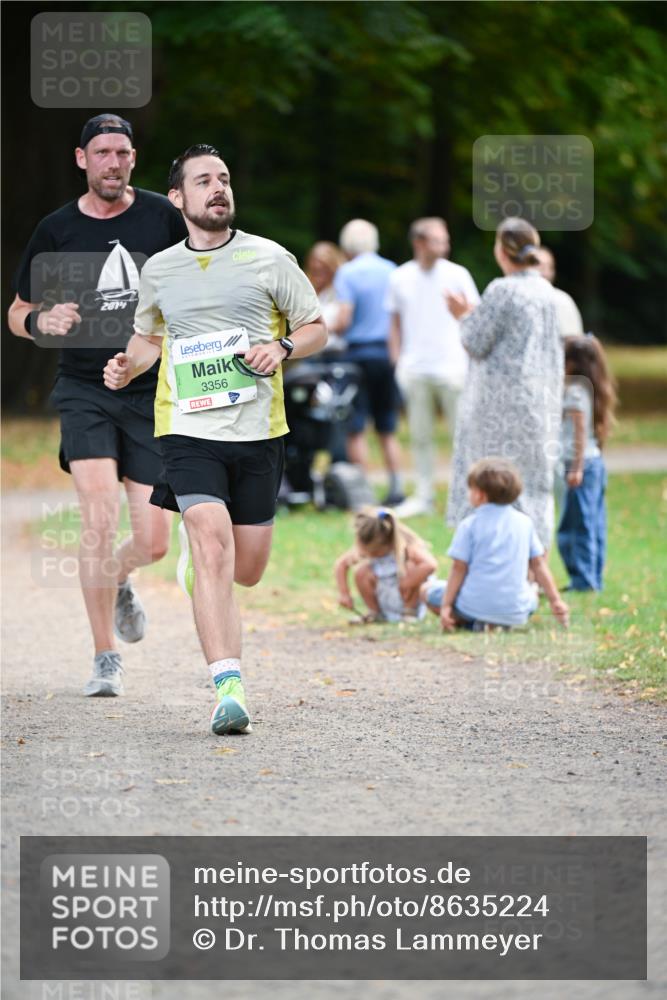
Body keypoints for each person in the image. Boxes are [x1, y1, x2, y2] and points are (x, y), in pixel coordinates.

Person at [103, 144, 326, 736]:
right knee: (211, 541)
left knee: (245, 570)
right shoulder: (161, 269)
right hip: (186, 429)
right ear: (178, 198)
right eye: (203, 181)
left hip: (258, 431)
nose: (218, 188)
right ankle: (229, 689)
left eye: (224, 178)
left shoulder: (270, 258)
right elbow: (147, 337)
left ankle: (201, 568)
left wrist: (280, 348)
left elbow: (315, 328)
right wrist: (127, 366)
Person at [8, 114, 187, 698]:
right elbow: (16, 312)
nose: (114, 163)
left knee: (155, 539)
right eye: (103, 153)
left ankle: (121, 579)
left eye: (124, 153)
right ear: (82, 159)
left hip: (146, 391)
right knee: (97, 517)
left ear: (134, 158)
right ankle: (104, 656)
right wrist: (41, 320)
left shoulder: (163, 216)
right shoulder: (56, 229)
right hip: (83, 389)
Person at [445, 217, 563, 550]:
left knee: (491, 482)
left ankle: (488, 561)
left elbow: (475, 340)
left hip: (500, 408)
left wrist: (463, 314)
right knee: (533, 488)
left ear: (502, 249)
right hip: (540, 402)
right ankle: (532, 569)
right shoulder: (547, 291)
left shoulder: (503, 289)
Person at [387, 217, 480, 517]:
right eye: (438, 240)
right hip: (415, 368)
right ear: (419, 243)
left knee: (461, 434)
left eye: (445, 239)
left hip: (453, 367)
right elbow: (395, 324)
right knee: (420, 434)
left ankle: (467, 494)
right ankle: (424, 495)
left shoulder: (457, 274)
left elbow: (474, 315)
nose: (445, 245)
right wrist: (397, 361)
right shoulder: (400, 277)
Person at [422, 458, 569, 631]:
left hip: (471, 607)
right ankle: (497, 621)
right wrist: (556, 600)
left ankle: (473, 621)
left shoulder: (469, 525)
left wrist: (446, 605)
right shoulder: (525, 522)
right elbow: (538, 565)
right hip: (516, 611)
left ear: (480, 495)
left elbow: (458, 568)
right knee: (532, 591)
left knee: (427, 590)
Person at [331, 219, 404, 505]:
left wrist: (329, 326)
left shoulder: (347, 273)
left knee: (356, 426)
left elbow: (344, 318)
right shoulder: (392, 271)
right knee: (387, 426)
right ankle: (396, 487)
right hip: (387, 354)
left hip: (357, 357)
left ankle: (365, 492)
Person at [556, 335, 616, 591]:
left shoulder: (575, 392)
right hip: (594, 463)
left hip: (581, 465)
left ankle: (583, 580)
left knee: (575, 527)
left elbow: (579, 431)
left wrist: (576, 467)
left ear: (572, 363)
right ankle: (592, 578)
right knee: (593, 524)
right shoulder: (593, 388)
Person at [335, 507, 438, 623]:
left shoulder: (407, 547)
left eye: (375, 552)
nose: (370, 555)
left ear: (387, 542)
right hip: (384, 595)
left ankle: (410, 612)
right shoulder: (365, 547)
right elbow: (341, 565)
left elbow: (430, 564)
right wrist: (344, 594)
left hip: (407, 598)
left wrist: (407, 582)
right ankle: (374, 613)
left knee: (412, 567)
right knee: (361, 572)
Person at [304, 241, 347, 356]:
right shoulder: (306, 290)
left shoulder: (342, 291)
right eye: (315, 269)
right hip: (310, 354)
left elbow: (343, 323)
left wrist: (314, 330)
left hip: (336, 352)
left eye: (323, 269)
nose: (318, 271)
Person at [536, 246, 584, 338]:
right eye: (539, 265)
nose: (544, 271)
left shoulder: (563, 300)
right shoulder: (515, 298)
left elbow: (574, 340)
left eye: (549, 266)